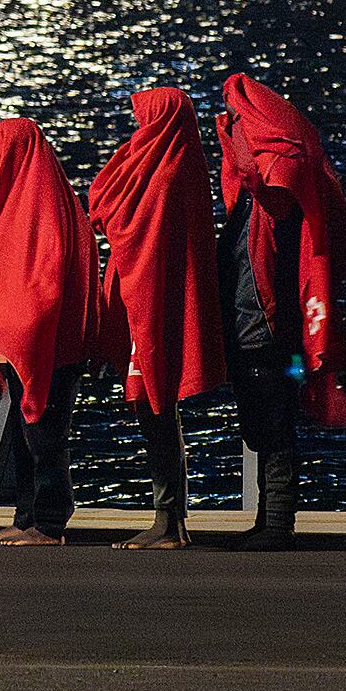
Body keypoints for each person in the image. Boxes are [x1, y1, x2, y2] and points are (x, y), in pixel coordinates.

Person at [84, 86, 226, 550]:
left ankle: (169, 521)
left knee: (158, 406)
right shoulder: (174, 160)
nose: (139, 127)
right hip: (156, 294)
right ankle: (169, 519)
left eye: (144, 118)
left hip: (155, 298)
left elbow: (118, 216)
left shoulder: (165, 168)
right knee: (155, 408)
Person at [0, 117, 95, 545]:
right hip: (26, 345)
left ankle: (48, 522)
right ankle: (26, 516)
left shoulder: (40, 204)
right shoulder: (30, 199)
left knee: (46, 435)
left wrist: (25, 331)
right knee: (24, 433)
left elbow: (44, 277)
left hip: (51, 347)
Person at [217, 76, 346, 551]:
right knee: (262, 422)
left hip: (272, 331)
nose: (229, 126)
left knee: (275, 422)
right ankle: (268, 519)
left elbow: (271, 195)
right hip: (252, 327)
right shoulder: (251, 195)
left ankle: (278, 522)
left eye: (237, 118)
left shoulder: (279, 183)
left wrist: (239, 141)